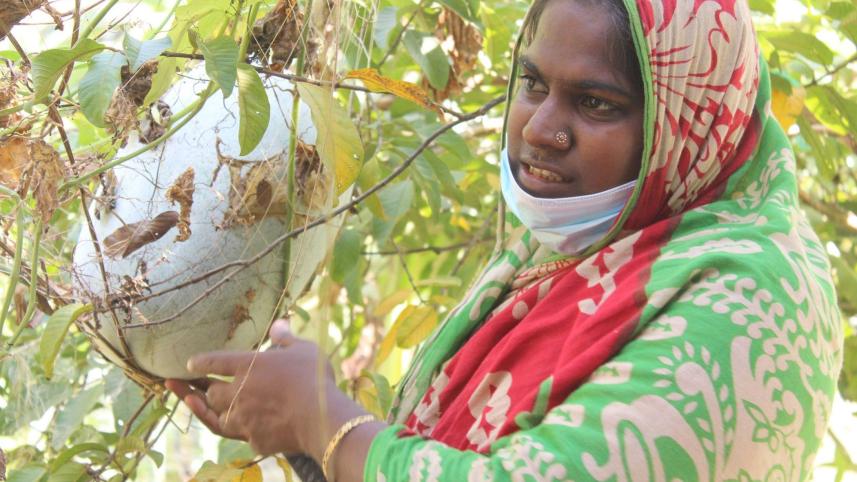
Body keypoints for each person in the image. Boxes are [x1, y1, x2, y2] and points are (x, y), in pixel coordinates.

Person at [167, 0, 844, 480]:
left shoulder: (756, 295)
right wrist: (294, 428)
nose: (539, 129)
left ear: (687, 123)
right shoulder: (576, 237)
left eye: (596, 103)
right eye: (532, 84)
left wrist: (326, 421)